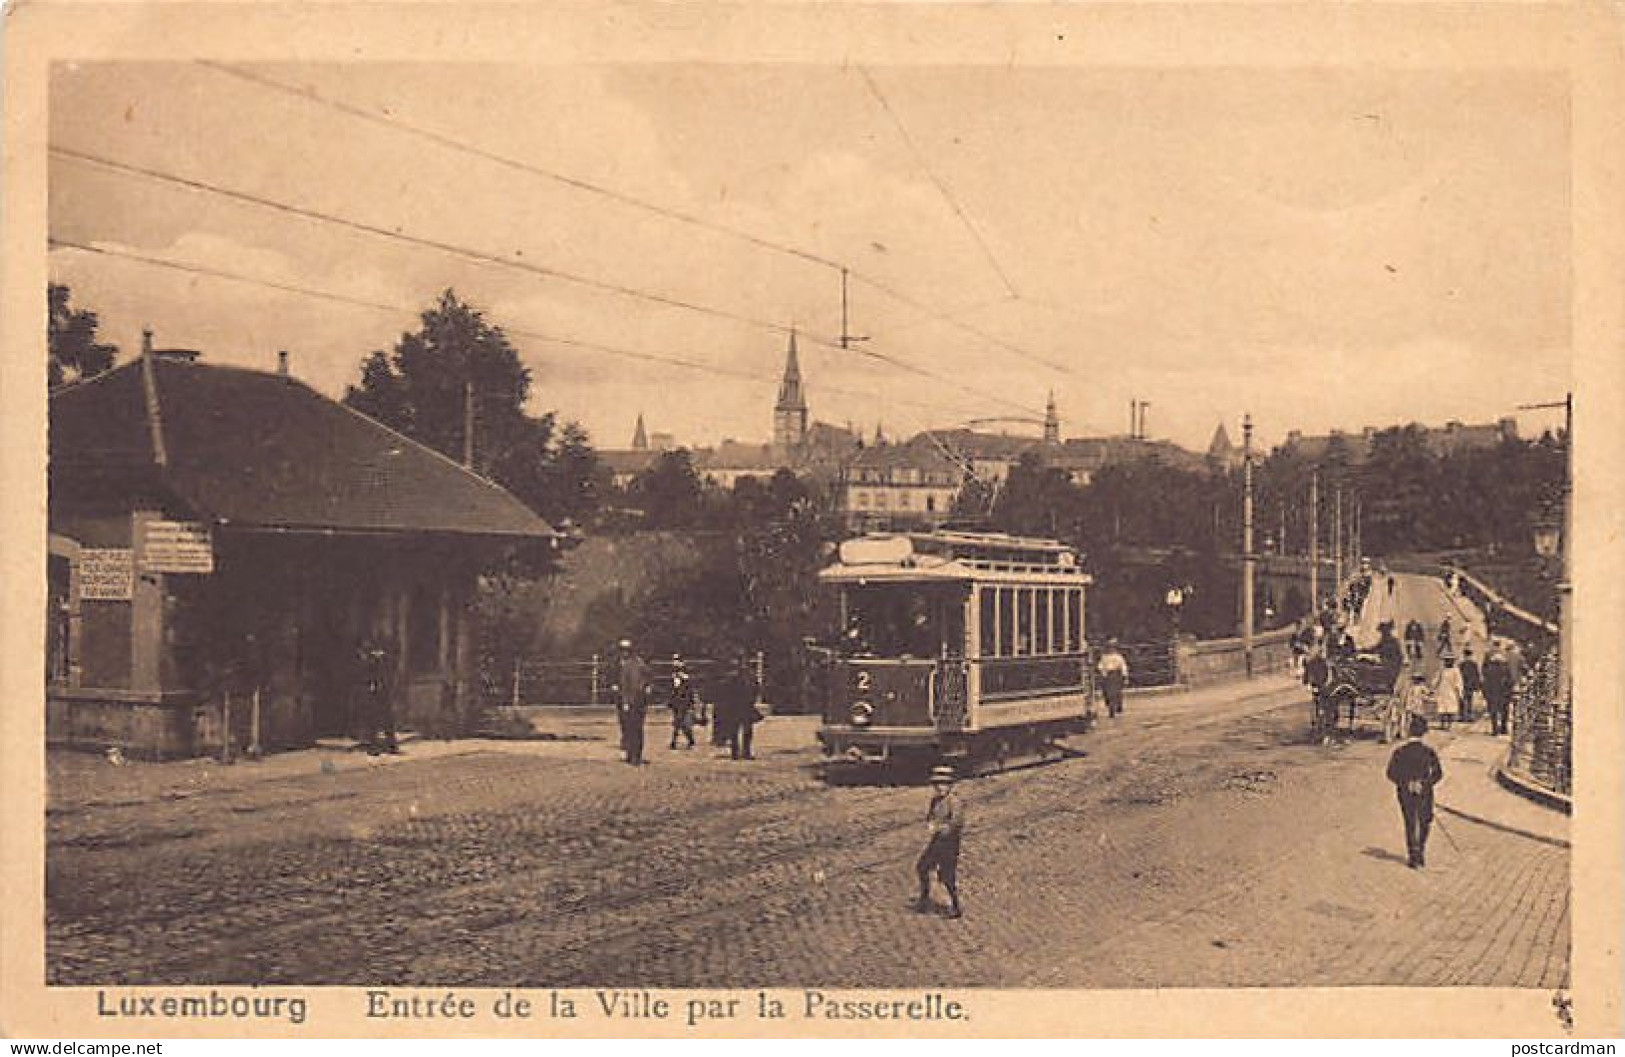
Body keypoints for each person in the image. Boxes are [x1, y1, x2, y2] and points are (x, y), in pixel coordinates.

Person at [1385, 713, 1445, 869]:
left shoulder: (1399, 752)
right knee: (1425, 821)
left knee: (1410, 822)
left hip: (1405, 793)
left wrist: (1406, 783)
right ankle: (1420, 851)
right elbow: (1438, 774)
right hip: (1425, 793)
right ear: (1423, 733)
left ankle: (1413, 855)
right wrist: (1424, 784)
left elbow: (1391, 773)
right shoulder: (1428, 752)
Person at [914, 764, 965, 918]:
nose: (940, 787)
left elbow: (957, 822)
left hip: (949, 843)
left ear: (950, 785)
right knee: (922, 867)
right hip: (937, 842)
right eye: (937, 784)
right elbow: (930, 817)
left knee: (947, 876)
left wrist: (942, 827)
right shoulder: (935, 801)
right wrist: (930, 824)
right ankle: (924, 898)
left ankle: (955, 907)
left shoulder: (954, 802)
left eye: (944, 784)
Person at [357, 630, 400, 755]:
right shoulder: (373, 658)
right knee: (376, 720)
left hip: (379, 691)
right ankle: (380, 744)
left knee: (380, 719)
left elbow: (380, 673)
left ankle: (382, 745)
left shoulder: (376, 659)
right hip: (376, 691)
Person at [612, 639, 649, 765]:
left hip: (636, 700)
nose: (624, 653)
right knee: (629, 726)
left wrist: (645, 690)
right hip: (629, 699)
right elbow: (620, 682)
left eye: (627, 650)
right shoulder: (622, 664)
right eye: (622, 650)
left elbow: (645, 679)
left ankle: (635, 754)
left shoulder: (636, 664)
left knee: (635, 727)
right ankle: (632, 753)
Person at [1482, 646, 1515, 736]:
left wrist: (1485, 694)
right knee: (1504, 711)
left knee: (1493, 712)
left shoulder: (1489, 670)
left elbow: (1485, 683)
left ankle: (1495, 729)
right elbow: (1511, 681)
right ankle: (1504, 728)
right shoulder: (1506, 670)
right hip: (1504, 693)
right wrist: (1509, 691)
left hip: (1493, 694)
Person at [667, 655, 697, 750]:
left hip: (685, 702)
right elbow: (672, 690)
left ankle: (685, 739)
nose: (675, 663)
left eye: (677, 660)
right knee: (678, 722)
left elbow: (689, 690)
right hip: (677, 702)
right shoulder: (673, 676)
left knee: (683, 723)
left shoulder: (686, 676)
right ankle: (676, 741)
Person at [1096, 639, 1129, 718]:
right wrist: (1103, 673)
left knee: (1116, 692)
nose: (1111, 649)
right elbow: (1100, 666)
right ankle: (1111, 706)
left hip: (1116, 674)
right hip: (1108, 675)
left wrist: (1124, 676)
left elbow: (1123, 666)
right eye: (1109, 647)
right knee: (1107, 692)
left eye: (1112, 647)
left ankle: (1117, 706)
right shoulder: (1104, 657)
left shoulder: (1118, 657)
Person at [1433, 654, 1464, 728]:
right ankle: (1442, 724)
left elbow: (1459, 681)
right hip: (1442, 690)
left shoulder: (1456, 670)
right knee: (1442, 707)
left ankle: (1449, 724)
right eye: (1446, 660)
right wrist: (1433, 687)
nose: (1447, 662)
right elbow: (1437, 679)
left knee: (1451, 708)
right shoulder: (1442, 670)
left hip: (1451, 691)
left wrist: (1459, 691)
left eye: (1449, 660)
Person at [1458, 646, 1482, 723]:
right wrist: (1477, 686)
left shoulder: (1461, 664)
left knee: (1462, 700)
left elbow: (1459, 675)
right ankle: (1469, 715)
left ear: (1464, 655)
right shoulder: (1474, 664)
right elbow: (1477, 675)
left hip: (1463, 684)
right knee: (1469, 700)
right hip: (1470, 685)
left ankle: (1462, 716)